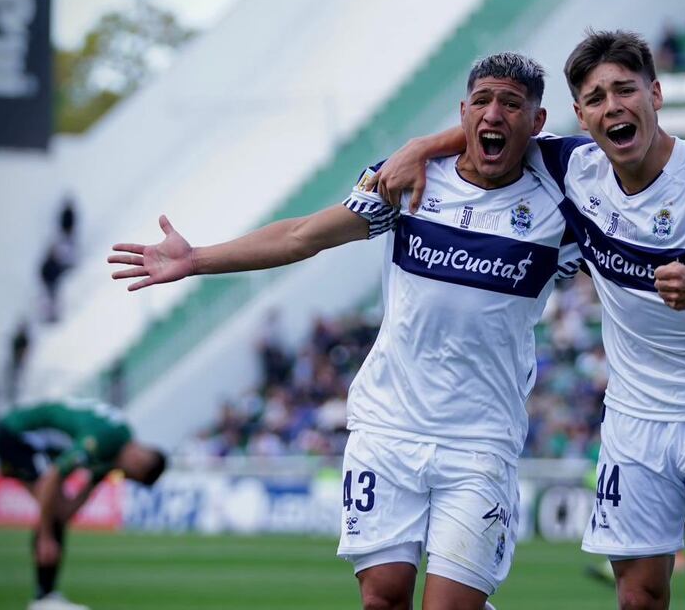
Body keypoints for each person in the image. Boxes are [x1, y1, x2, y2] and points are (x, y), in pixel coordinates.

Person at [109, 53, 584, 610]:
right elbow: (302, 236)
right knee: (382, 598)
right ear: (462, 111)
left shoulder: (563, 202)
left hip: (480, 441)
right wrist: (196, 260)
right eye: (482, 102)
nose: (494, 115)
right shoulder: (409, 181)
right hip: (387, 427)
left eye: (512, 104)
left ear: (537, 120)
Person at [372, 30, 685, 610]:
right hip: (633, 417)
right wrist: (418, 148)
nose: (612, 106)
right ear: (580, 115)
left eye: (625, 90)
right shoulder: (574, 167)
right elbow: (497, 129)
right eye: (596, 98)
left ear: (656, 94)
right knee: (638, 597)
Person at [0, 399, 167, 610]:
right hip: (17, 433)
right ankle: (43, 599)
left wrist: (58, 517)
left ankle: (46, 596)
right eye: (131, 476)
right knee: (51, 508)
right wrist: (46, 536)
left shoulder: (117, 452)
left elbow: (69, 508)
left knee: (55, 511)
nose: (125, 476)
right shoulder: (106, 440)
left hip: (33, 441)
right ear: (139, 461)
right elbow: (53, 477)